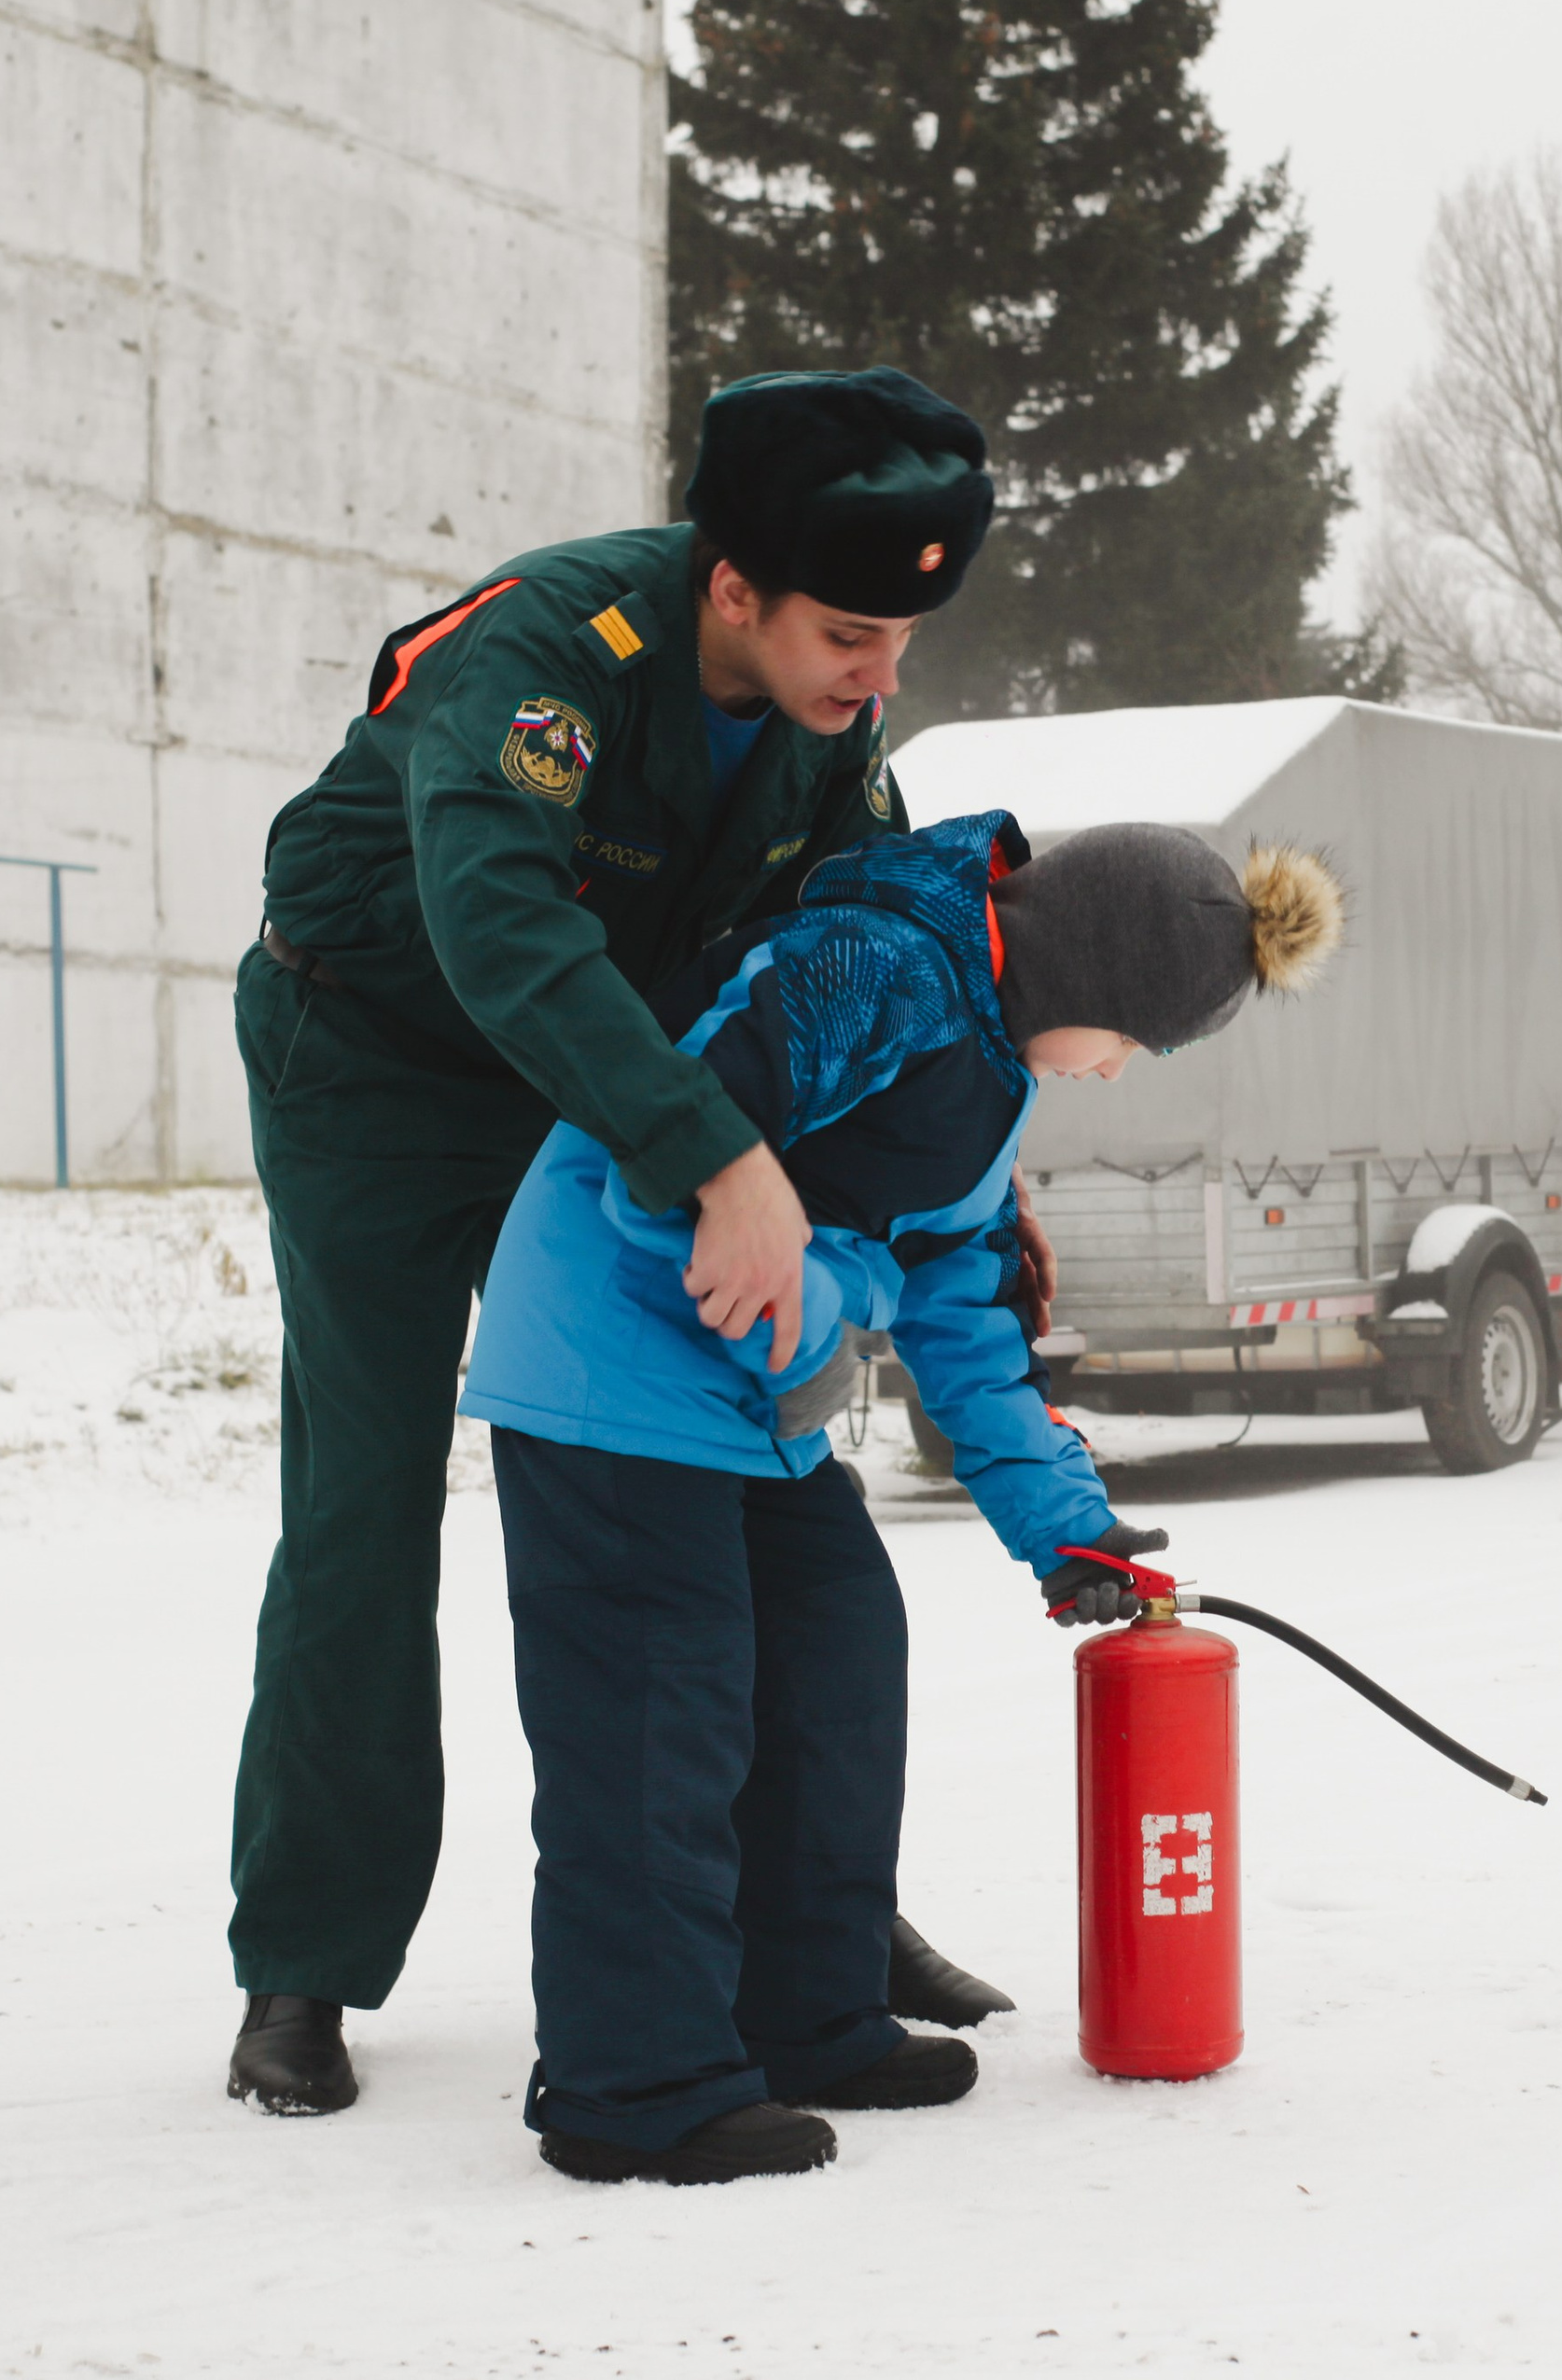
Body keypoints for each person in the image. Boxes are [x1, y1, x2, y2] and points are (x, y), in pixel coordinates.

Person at [229, 369, 1042, 2116]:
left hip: (605, 1083)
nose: (881, 675)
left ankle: (817, 1922)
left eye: (903, 636)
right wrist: (715, 1152)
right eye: (849, 630)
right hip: (373, 1060)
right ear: (730, 587)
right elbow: (501, 921)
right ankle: (305, 1955)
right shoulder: (549, 655)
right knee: (366, 1492)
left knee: (760, 1455)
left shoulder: (833, 739)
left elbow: (887, 949)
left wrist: (977, 1168)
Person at [453, 813, 1345, 2182]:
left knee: (840, 1652)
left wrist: (1068, 1527)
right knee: (659, 1707)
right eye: (1138, 1039)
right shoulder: (875, 972)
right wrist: (816, 1324)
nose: (1119, 1071)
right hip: (612, 1363)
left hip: (743, 1404)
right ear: (1094, 977)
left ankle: (804, 2017)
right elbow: (662, 1166)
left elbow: (961, 1313)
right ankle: (632, 2081)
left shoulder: (990, 1078)